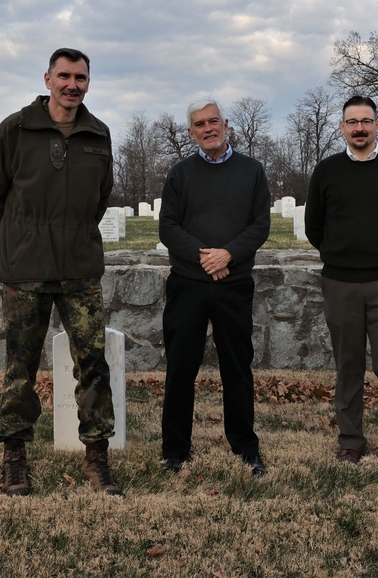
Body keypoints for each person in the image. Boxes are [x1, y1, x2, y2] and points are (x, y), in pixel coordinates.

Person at [0, 48, 122, 497]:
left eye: (80, 77)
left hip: (79, 269)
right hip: (26, 271)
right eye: (64, 75)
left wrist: (73, 235)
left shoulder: (98, 134)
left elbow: (99, 199)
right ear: (47, 78)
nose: (72, 85)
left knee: (93, 365)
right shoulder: (15, 129)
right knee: (20, 365)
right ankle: (15, 458)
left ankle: (97, 458)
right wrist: (18, 244)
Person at [305, 96, 378, 475]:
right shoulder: (326, 171)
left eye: (366, 121)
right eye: (352, 122)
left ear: (377, 125)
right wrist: (340, 253)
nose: (359, 128)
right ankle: (351, 443)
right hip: (340, 282)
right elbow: (314, 227)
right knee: (349, 366)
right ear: (341, 127)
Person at [158, 99, 271, 476]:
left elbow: (260, 225)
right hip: (187, 285)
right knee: (180, 369)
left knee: (237, 368)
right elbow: (168, 227)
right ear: (191, 133)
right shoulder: (179, 174)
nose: (208, 128)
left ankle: (244, 446)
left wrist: (228, 255)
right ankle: (175, 449)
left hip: (234, 284)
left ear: (226, 125)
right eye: (199, 124)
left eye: (213, 121)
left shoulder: (252, 171)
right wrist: (204, 258)